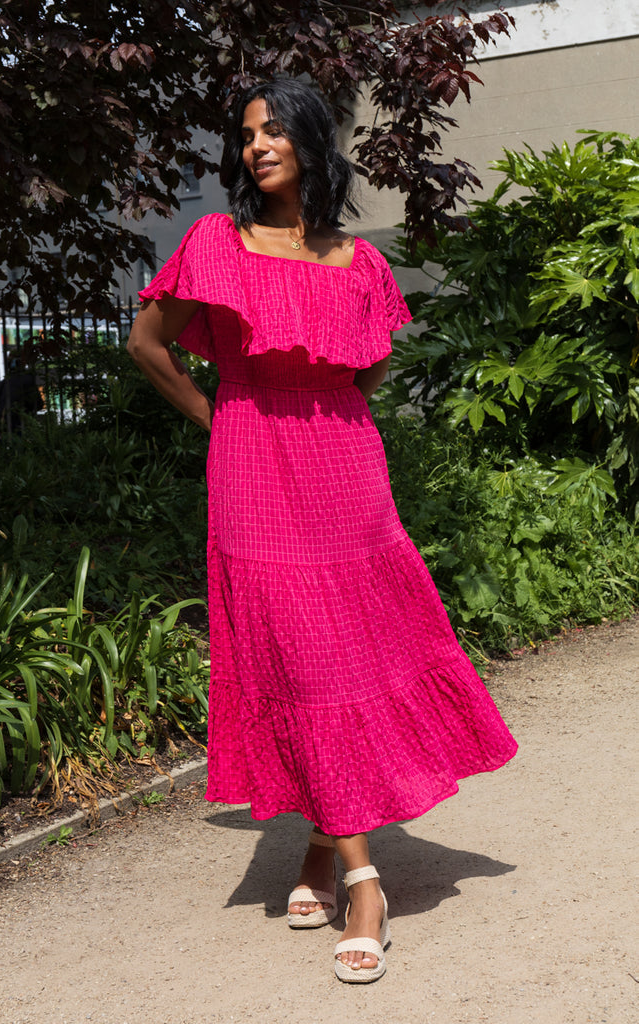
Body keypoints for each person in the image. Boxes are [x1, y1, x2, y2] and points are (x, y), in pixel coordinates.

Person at [127, 78, 517, 984]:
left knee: (350, 653)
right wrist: (218, 418)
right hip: (252, 464)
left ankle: (315, 846)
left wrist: (323, 413)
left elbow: (370, 368)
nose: (256, 146)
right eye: (246, 136)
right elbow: (150, 344)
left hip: (346, 472)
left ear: (311, 142)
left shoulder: (362, 264)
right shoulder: (215, 244)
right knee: (298, 653)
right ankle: (364, 878)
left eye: (273, 132)